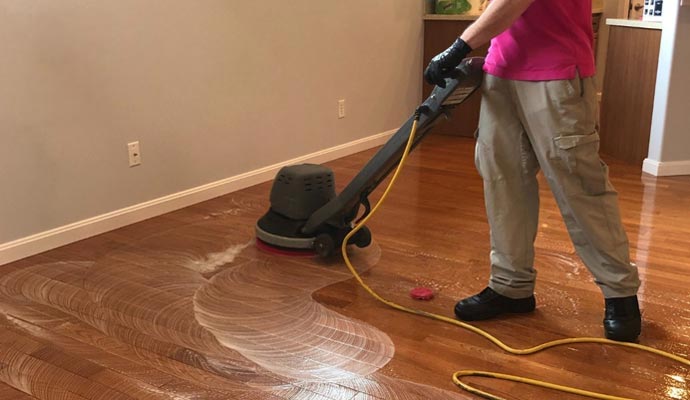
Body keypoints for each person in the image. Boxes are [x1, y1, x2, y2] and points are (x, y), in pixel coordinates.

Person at [424, 0, 641, 342]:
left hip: (556, 74)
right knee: (503, 183)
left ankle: (620, 293)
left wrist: (459, 46)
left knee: (580, 187)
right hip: (502, 70)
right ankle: (511, 286)